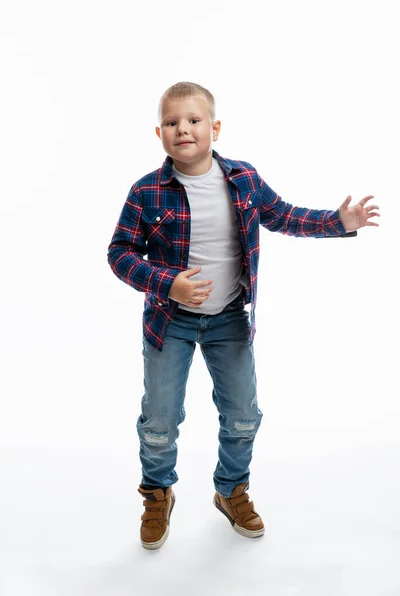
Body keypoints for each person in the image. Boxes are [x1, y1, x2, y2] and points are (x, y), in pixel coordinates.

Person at [107, 81, 380, 550]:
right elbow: (119, 254)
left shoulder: (244, 180)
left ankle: (231, 489)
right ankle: (157, 493)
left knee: (243, 416)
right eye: (172, 123)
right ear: (159, 134)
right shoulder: (146, 191)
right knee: (159, 419)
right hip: (168, 322)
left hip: (230, 318)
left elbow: (284, 215)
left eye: (193, 120)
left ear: (214, 128)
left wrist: (337, 223)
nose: (183, 129)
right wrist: (166, 282)